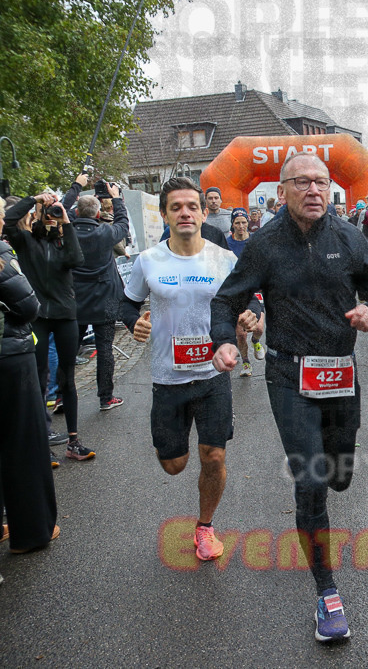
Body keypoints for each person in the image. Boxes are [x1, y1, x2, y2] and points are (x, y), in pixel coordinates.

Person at [209, 153, 368, 642]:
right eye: (303, 182)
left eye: (322, 182)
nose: (315, 190)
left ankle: (332, 483)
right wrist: (224, 340)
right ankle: (327, 593)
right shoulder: (265, 243)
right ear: (283, 190)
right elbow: (228, 298)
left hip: (339, 372)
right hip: (289, 374)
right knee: (311, 478)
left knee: (339, 476)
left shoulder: (349, 237)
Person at [120, 177, 260, 563]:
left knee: (213, 456)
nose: (185, 212)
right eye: (176, 207)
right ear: (165, 214)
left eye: (192, 206)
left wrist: (252, 314)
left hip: (214, 375)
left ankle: (205, 526)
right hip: (168, 378)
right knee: (173, 464)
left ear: (202, 212)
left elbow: (253, 299)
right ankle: (174, 457)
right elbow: (127, 303)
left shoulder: (224, 259)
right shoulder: (148, 261)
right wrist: (135, 322)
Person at [3, 187, 92, 462]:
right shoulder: (25, 241)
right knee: (39, 379)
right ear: (37, 215)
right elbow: (8, 219)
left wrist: (66, 220)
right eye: (47, 213)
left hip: (66, 315)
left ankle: (73, 441)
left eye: (55, 212)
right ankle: (43, 442)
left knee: (67, 379)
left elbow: (77, 259)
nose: (51, 216)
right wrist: (36, 200)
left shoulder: (63, 242)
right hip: (39, 317)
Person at [0, 198, 60, 554]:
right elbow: (27, 305)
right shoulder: (3, 253)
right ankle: (33, 532)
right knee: (22, 445)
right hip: (9, 355)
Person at [71, 189, 130, 411]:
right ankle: (106, 397)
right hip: (106, 297)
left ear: (76, 212)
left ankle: (60, 396)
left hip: (76, 299)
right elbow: (123, 223)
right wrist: (116, 198)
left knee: (70, 349)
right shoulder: (105, 232)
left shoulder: (67, 233)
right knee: (105, 348)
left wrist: (75, 190)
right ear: (97, 215)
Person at [225, 209, 264, 376]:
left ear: (248, 223)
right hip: (235, 291)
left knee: (259, 328)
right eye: (237, 223)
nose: (241, 226)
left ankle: (256, 341)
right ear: (232, 225)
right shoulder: (226, 244)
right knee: (240, 333)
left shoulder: (256, 241)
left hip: (255, 290)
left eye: (243, 222)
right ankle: (246, 363)